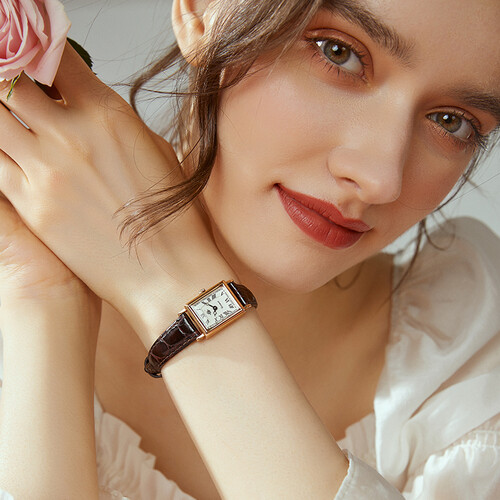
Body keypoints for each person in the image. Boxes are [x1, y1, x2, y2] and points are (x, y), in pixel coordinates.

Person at [0, 0, 499, 498]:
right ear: (201, 11)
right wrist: (44, 302)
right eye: (338, 52)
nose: (380, 179)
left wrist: (172, 287)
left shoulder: (472, 362)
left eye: (452, 121)